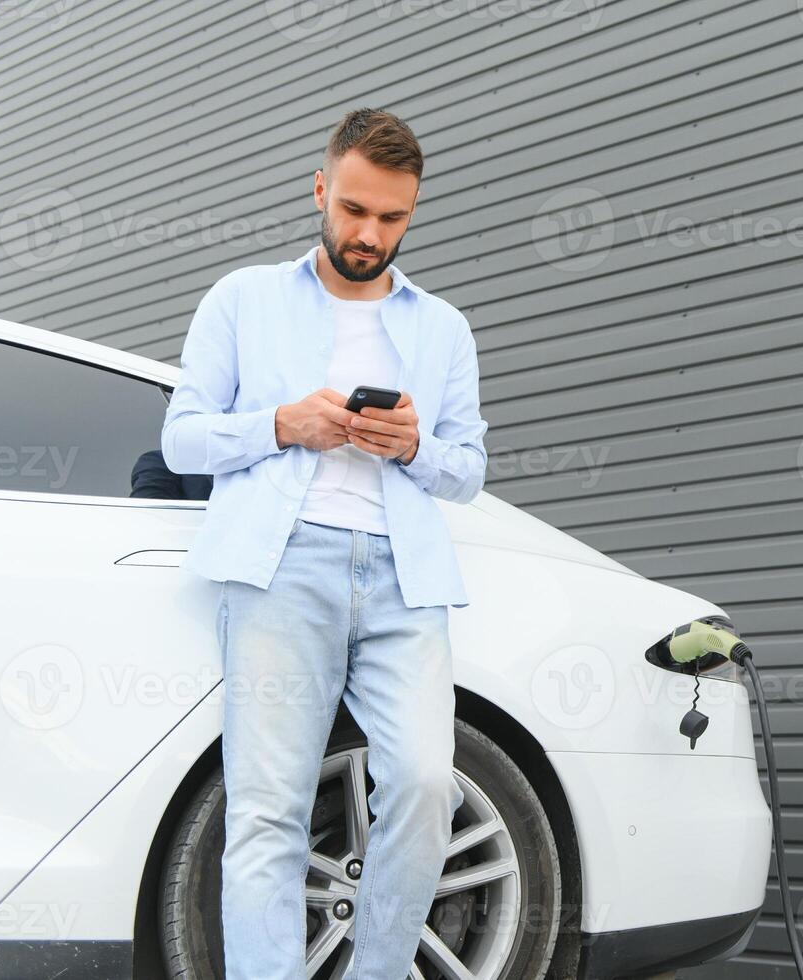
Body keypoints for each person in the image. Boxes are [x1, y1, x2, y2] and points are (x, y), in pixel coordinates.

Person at [160, 107, 488, 980]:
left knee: (423, 787)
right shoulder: (243, 299)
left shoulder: (443, 329)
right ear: (320, 189)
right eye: (353, 210)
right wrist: (281, 423)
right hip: (281, 568)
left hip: (403, 579)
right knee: (268, 809)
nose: (368, 233)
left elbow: (468, 471)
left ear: (411, 214)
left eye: (390, 218)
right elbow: (182, 438)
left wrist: (415, 445)